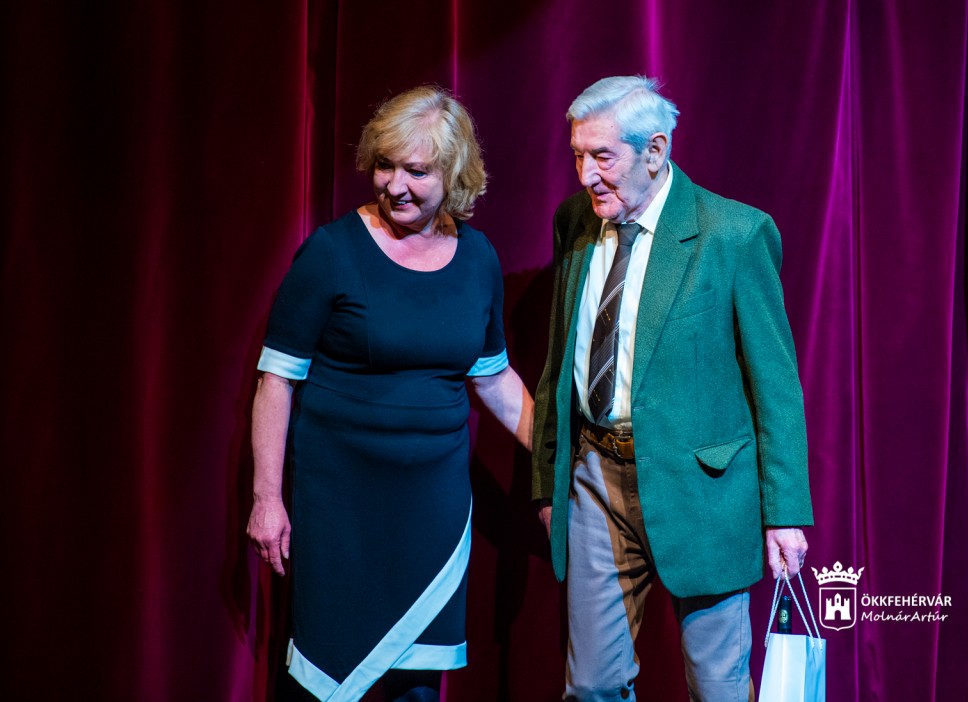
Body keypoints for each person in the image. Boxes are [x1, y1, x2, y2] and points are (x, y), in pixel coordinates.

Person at [532, 76, 814, 701]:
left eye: (602, 157)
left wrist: (785, 514)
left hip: (703, 491)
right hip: (595, 479)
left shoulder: (733, 234)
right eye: (577, 155)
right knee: (592, 686)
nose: (586, 175)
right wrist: (547, 480)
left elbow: (776, 386)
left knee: (718, 687)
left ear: (655, 151)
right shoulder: (574, 222)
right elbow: (559, 359)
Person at [247, 86, 533, 702]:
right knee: (327, 676)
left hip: (433, 507)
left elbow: (494, 379)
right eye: (384, 165)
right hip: (340, 506)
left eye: (416, 171)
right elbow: (277, 380)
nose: (395, 185)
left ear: (454, 173)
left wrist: (561, 459)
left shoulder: (477, 258)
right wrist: (267, 499)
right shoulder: (332, 252)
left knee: (416, 684)